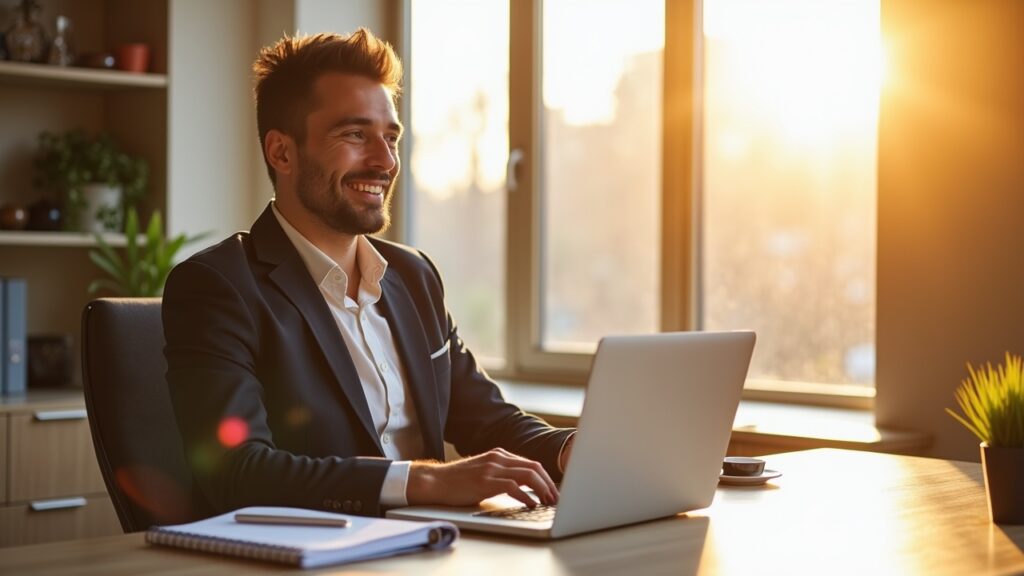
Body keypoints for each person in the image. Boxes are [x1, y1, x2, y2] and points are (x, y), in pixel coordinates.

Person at [162, 28, 574, 518]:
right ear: (282, 153)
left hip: (435, 545)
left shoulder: (415, 276)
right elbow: (237, 471)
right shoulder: (218, 287)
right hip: (316, 548)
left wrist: (572, 450)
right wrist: (426, 479)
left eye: (391, 137)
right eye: (355, 135)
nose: (386, 161)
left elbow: (488, 421)